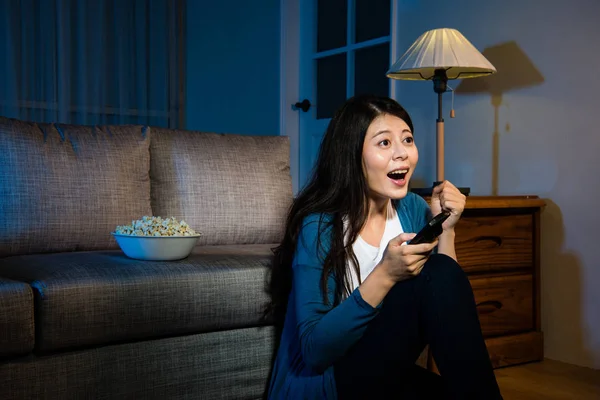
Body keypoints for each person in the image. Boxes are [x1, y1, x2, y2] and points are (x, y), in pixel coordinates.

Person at [264, 95, 503, 399]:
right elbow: (315, 351)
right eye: (384, 143)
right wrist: (386, 274)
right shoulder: (320, 226)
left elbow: (442, 301)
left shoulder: (412, 208)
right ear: (351, 155)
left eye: (407, 139)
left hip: (386, 368)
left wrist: (447, 231)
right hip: (330, 382)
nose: (403, 154)